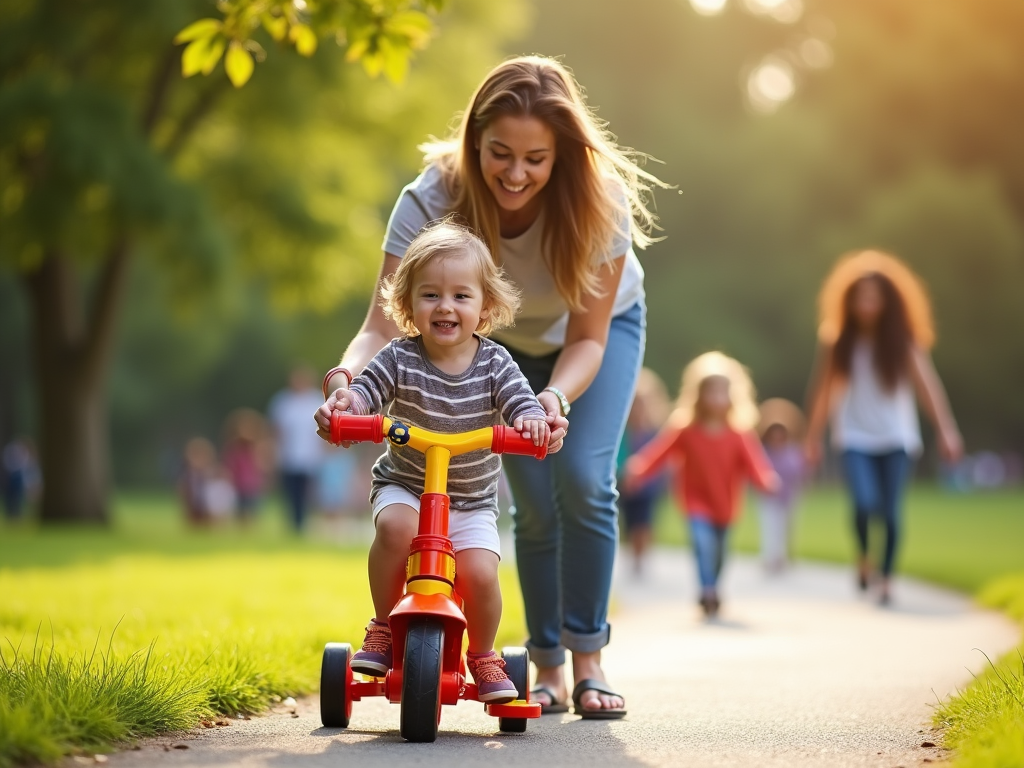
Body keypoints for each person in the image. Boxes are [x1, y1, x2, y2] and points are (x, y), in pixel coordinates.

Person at [316, 56, 664, 718]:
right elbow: (380, 325)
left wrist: (551, 401)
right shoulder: (431, 198)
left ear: (562, 153)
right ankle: (547, 665)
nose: (515, 173)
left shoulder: (600, 200)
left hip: (590, 339)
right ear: (475, 138)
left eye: (536, 158)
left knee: (584, 481)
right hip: (482, 345)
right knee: (531, 507)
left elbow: (587, 340)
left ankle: (588, 660)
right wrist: (345, 385)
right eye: (499, 153)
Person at [317, 222, 562, 702]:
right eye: (430, 295)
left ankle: (483, 654)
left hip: (470, 501)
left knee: (480, 573)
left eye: (461, 296)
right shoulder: (399, 357)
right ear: (407, 305)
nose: (445, 306)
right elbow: (367, 391)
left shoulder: (496, 363)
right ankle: (385, 626)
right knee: (394, 531)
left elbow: (520, 402)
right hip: (405, 484)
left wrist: (532, 421)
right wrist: (348, 407)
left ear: (484, 307)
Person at [804, 250, 963, 605]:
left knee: (890, 512)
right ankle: (864, 556)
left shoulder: (903, 341)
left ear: (888, 302)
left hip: (896, 437)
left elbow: (928, 387)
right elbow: (822, 391)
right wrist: (812, 438)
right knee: (863, 504)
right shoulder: (837, 341)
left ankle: (887, 577)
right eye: (861, 296)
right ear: (849, 300)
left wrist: (946, 430)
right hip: (854, 436)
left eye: (875, 297)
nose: (867, 304)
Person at [625, 352, 779, 618]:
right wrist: (640, 469)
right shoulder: (685, 428)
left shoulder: (739, 433)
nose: (718, 397)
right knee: (701, 542)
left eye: (723, 391)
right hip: (695, 501)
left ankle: (714, 584)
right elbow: (661, 452)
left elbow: (755, 463)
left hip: (726, 503)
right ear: (699, 395)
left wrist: (766, 479)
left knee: (720, 552)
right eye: (712, 391)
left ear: (733, 395)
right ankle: (707, 590)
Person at [617, 368, 671, 577]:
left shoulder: (654, 433)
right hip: (625, 486)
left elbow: (662, 460)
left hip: (649, 488)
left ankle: (641, 556)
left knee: (644, 522)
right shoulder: (622, 432)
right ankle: (632, 553)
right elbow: (618, 458)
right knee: (629, 523)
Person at [269, 366, 325, 532]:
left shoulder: (316, 401)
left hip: (310, 457)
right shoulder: (283, 402)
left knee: (305, 494)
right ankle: (293, 523)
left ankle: (302, 523)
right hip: (289, 456)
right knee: (290, 493)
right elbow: (277, 430)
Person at [755, 398, 807, 573]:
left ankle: (783, 556)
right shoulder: (763, 452)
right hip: (769, 497)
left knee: (786, 527)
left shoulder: (793, 452)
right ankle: (770, 556)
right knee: (770, 527)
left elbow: (801, 471)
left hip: (789, 496)